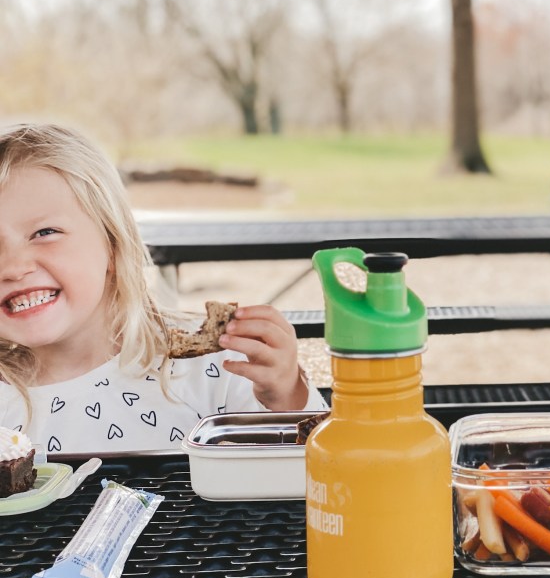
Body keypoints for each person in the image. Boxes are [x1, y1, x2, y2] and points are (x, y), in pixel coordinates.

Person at [0, 123, 328, 453]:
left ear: (112, 246)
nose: (13, 267)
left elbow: (315, 470)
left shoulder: (223, 366)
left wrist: (286, 394)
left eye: (44, 233)